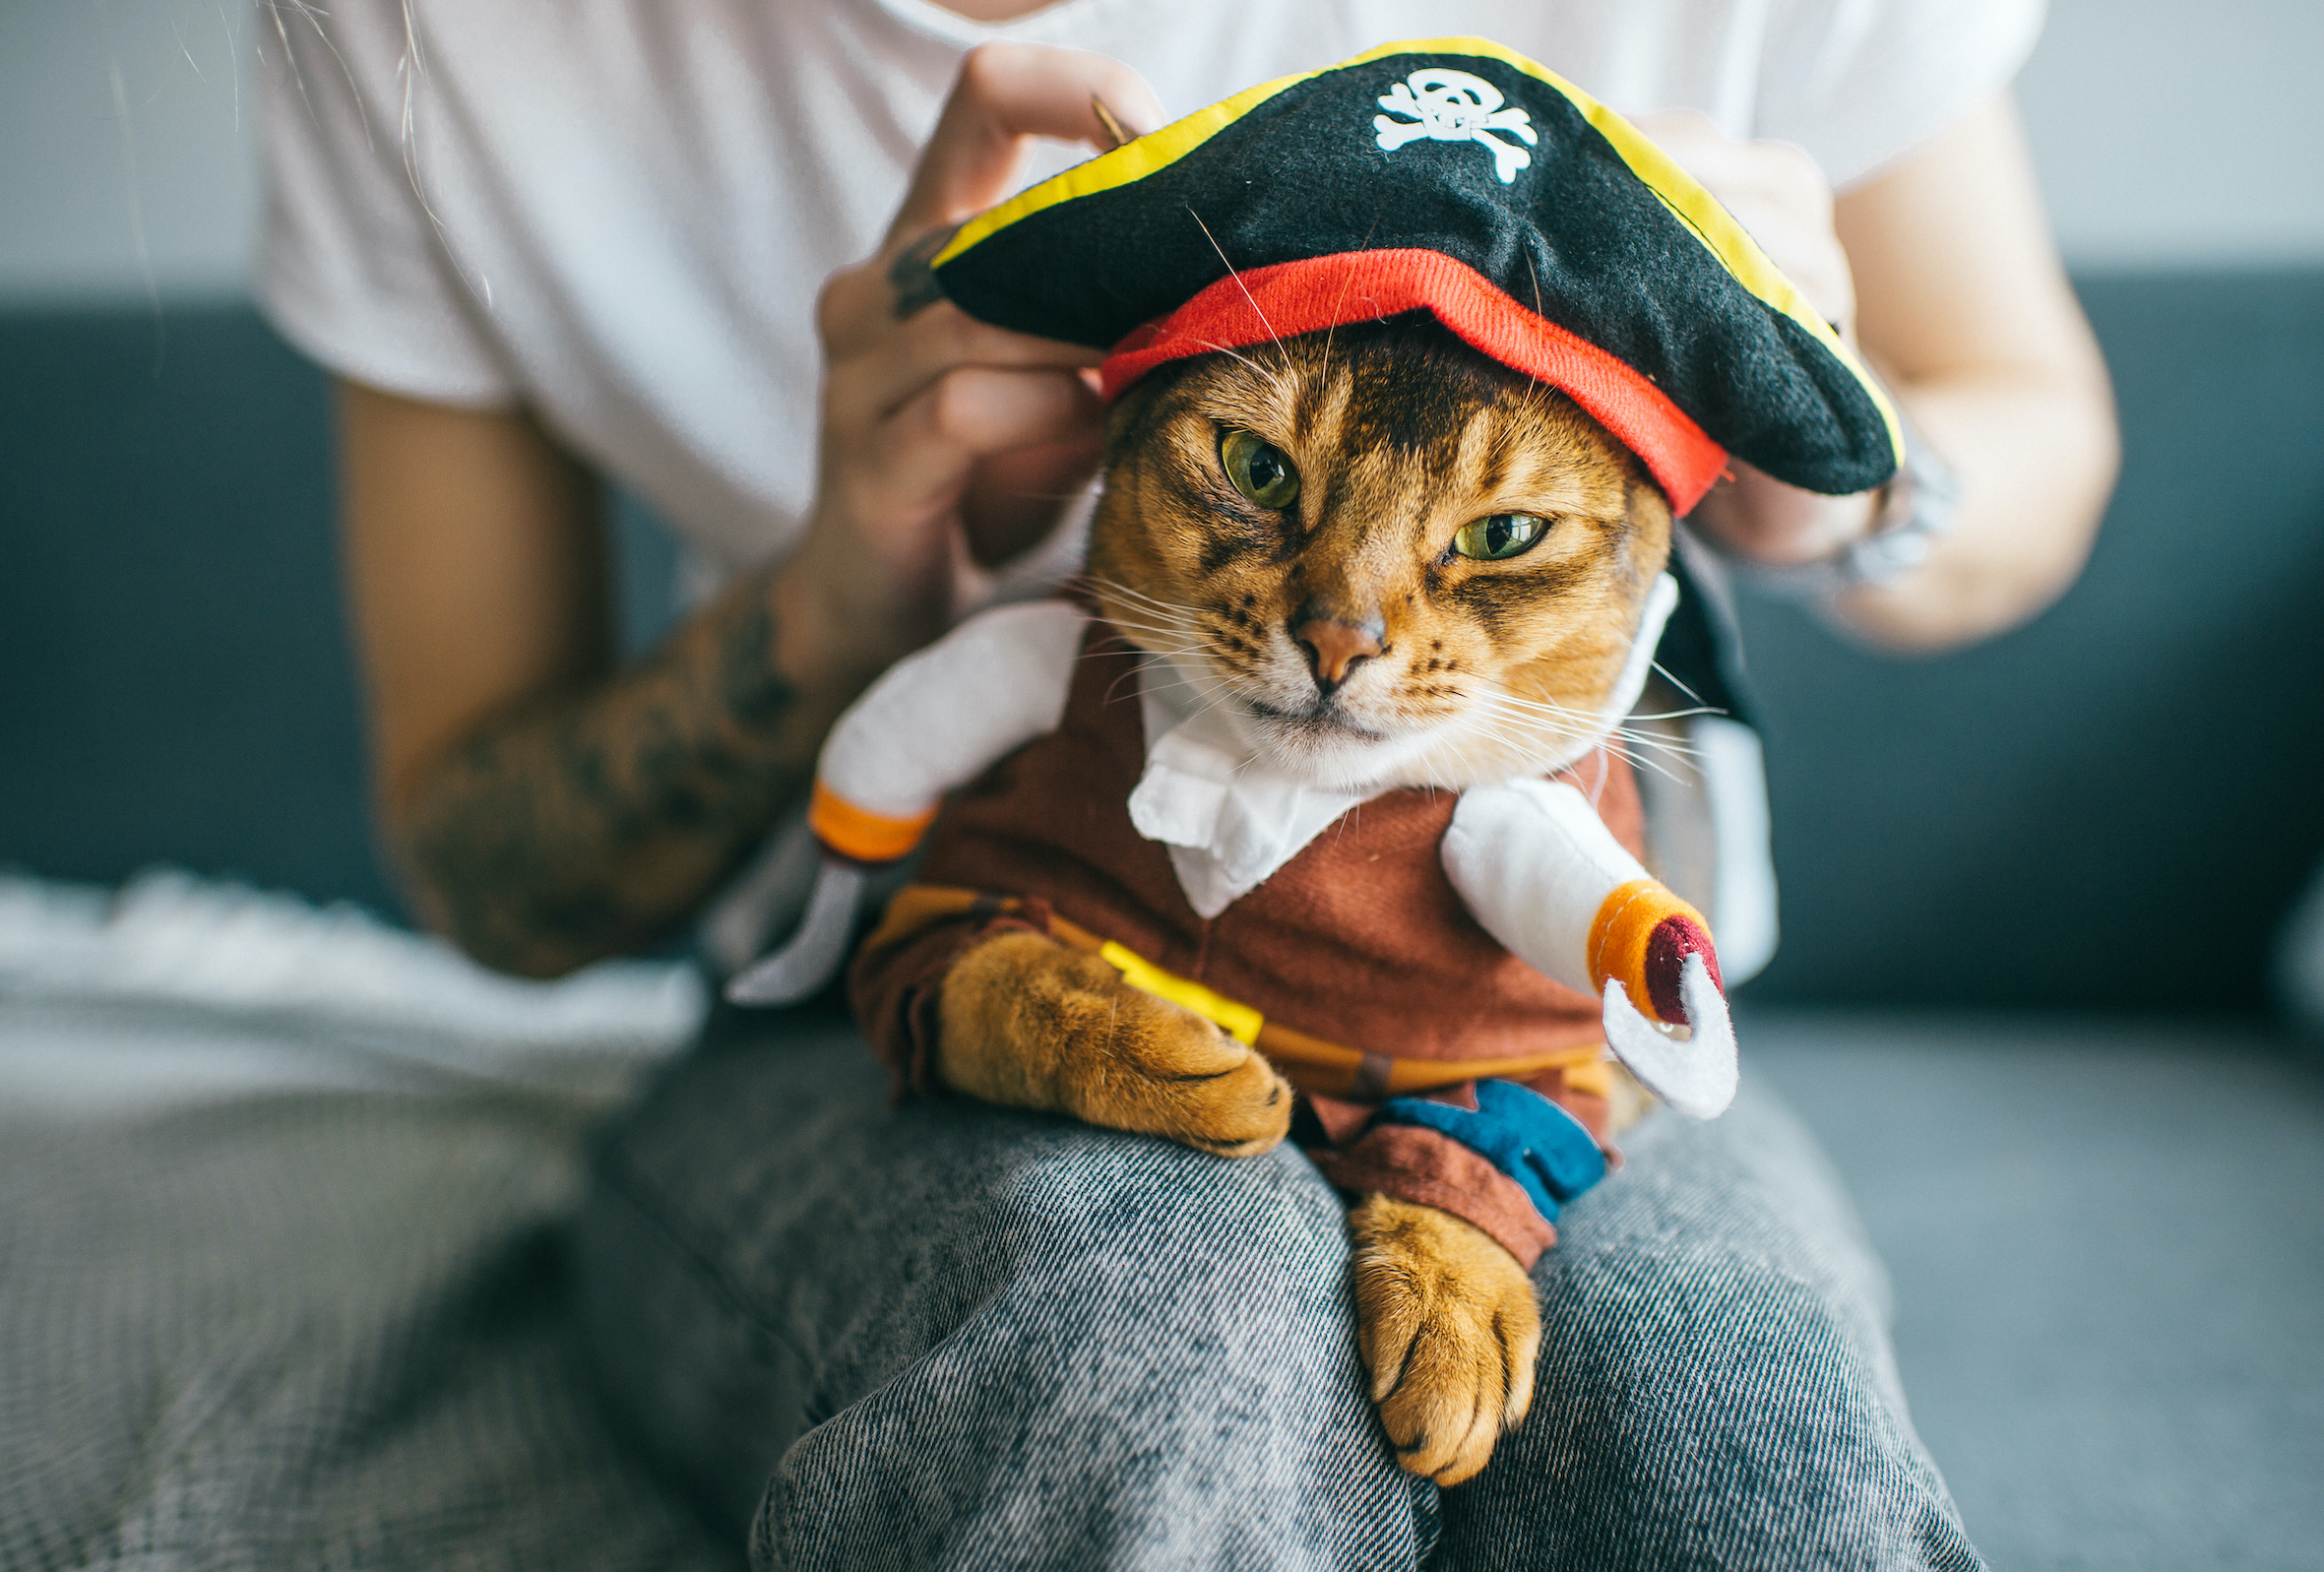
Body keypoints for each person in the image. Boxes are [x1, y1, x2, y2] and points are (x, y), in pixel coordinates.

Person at [258, 2, 2117, 1565]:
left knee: (1734, 1405)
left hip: (1507, 1015)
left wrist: (1845, 461)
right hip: (877, 981)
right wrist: (845, 589)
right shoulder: (423, 37)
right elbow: (492, 878)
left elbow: (2040, 424)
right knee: (1152, 1320)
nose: (1347, 636)